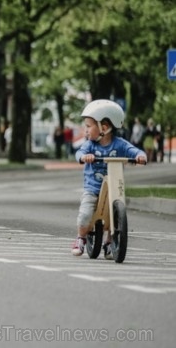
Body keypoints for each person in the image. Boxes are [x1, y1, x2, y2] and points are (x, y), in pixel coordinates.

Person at [71, 100, 146, 258]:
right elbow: (79, 153)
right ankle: (81, 238)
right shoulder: (90, 145)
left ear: (103, 128)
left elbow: (134, 151)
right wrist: (85, 157)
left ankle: (109, 242)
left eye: (89, 126)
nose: (86, 130)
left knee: (116, 214)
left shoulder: (120, 145)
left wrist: (140, 156)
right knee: (85, 214)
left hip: (113, 188)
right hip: (93, 188)